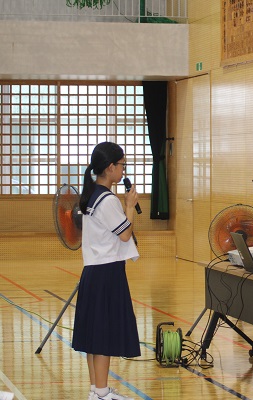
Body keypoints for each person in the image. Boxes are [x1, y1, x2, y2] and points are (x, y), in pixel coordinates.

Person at [72, 142, 140, 400]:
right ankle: (101, 394)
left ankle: (96, 390)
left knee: (94, 335)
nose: (123, 170)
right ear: (110, 167)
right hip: (106, 273)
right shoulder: (107, 199)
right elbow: (125, 235)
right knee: (101, 336)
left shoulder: (93, 195)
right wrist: (130, 206)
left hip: (94, 272)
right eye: (122, 165)